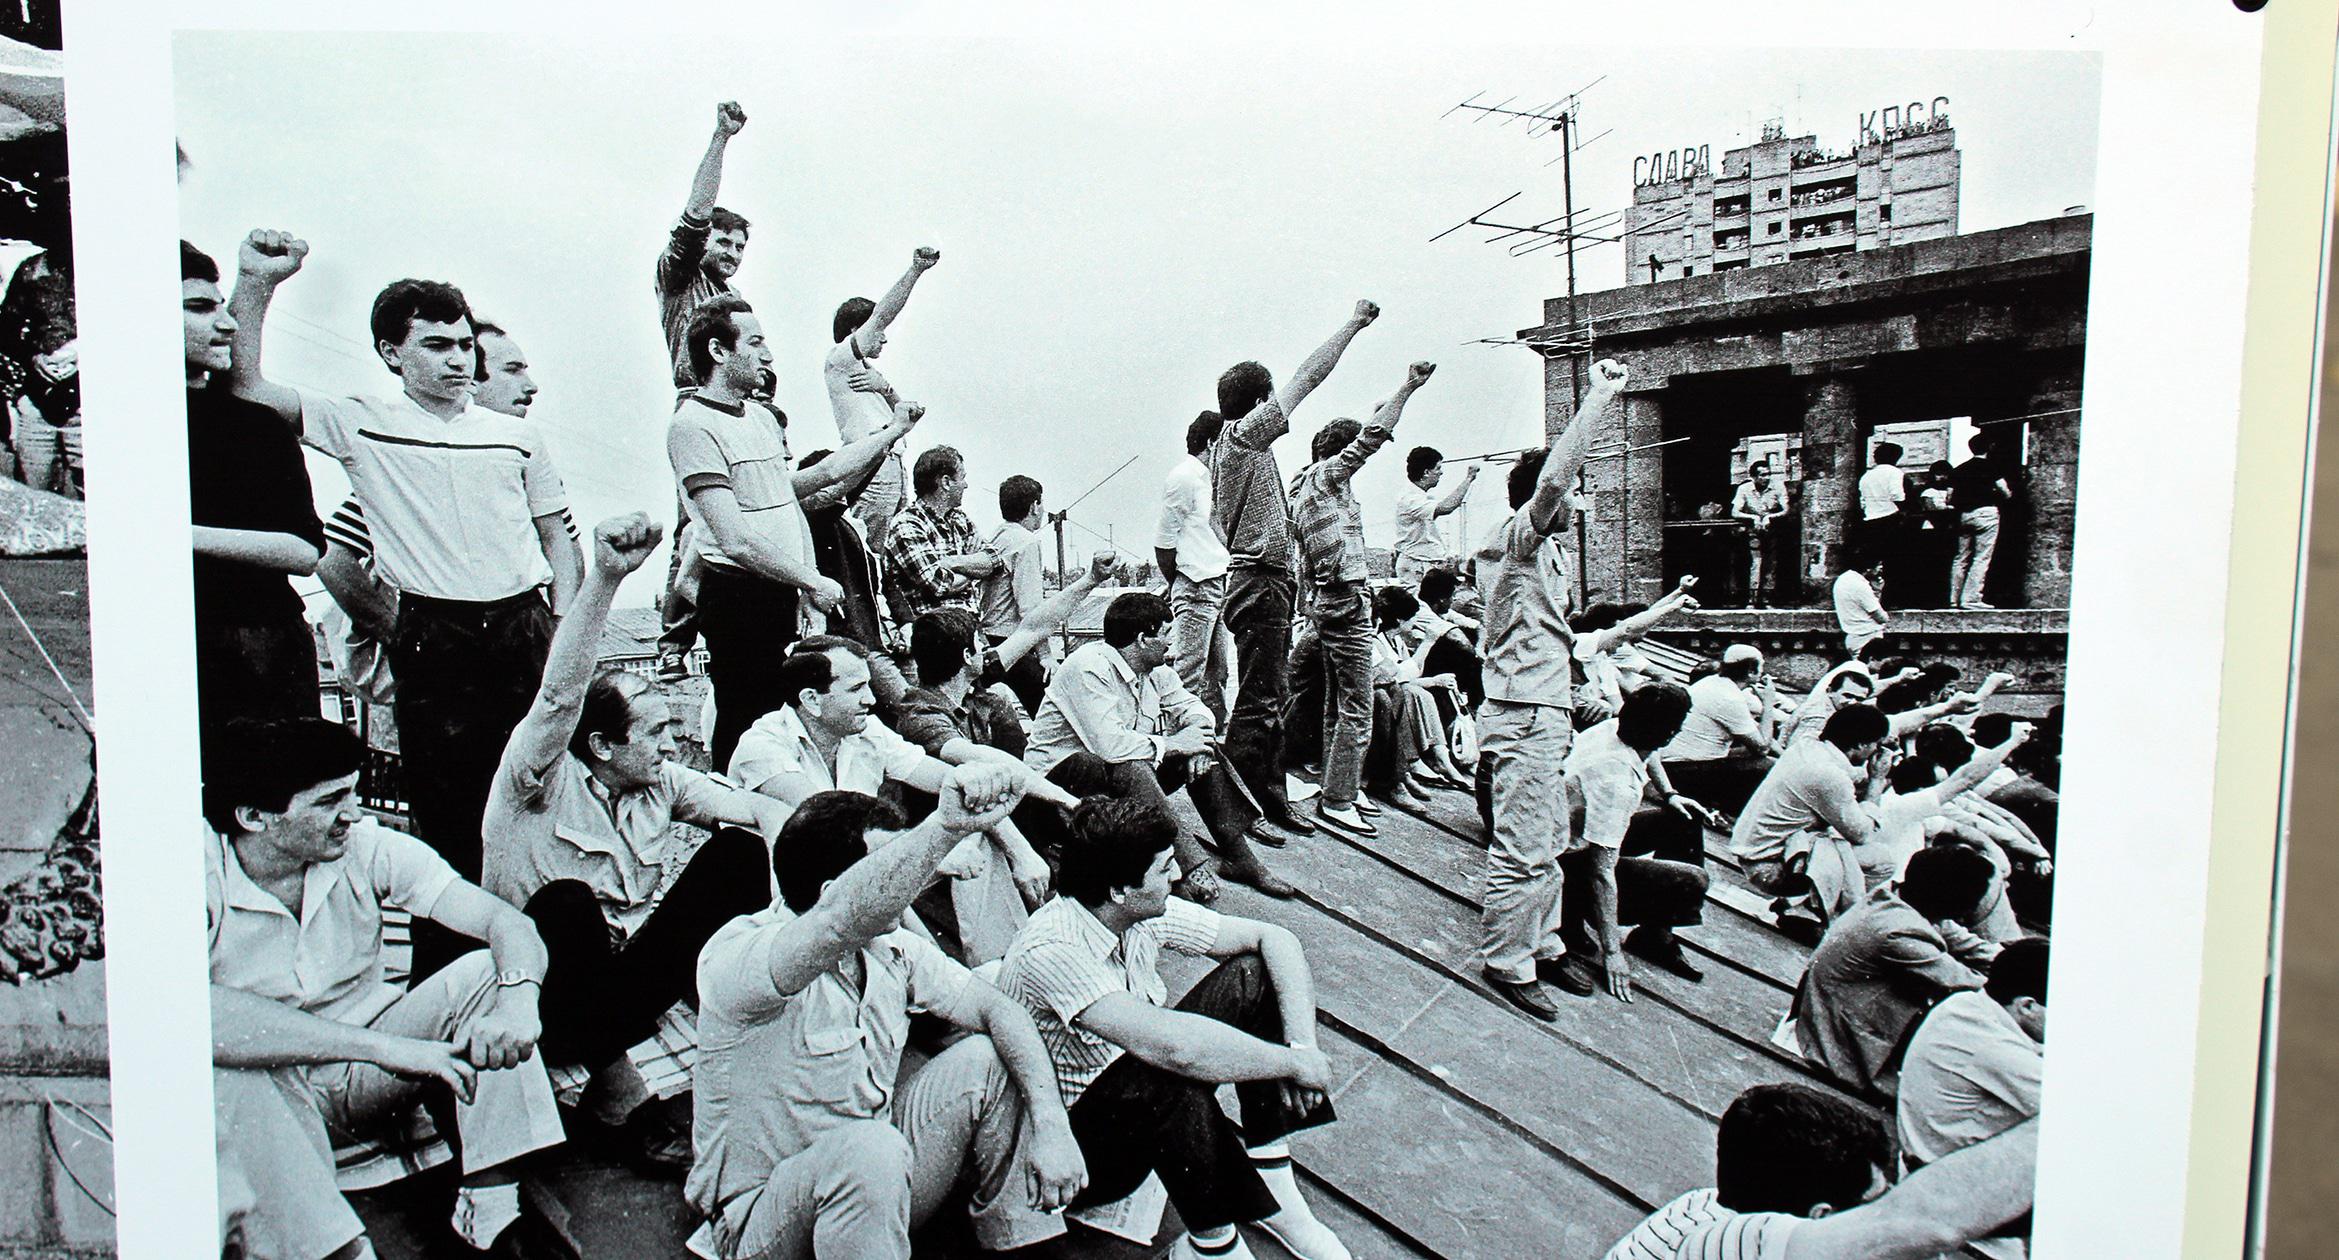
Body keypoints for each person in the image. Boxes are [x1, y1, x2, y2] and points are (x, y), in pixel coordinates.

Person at [224, 230, 583, 980]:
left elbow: (558, 541)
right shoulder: (362, 420)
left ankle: (548, 974)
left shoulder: (516, 438)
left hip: (522, 627)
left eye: (464, 346)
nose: (457, 361)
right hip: (435, 634)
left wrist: (562, 629)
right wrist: (257, 283)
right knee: (450, 821)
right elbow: (249, 387)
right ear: (393, 353)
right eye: (436, 346)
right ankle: (449, 983)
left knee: (539, 804)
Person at [477, 514, 792, 1171]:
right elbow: (559, 696)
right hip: (543, 995)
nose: (672, 744)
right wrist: (606, 577)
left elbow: (758, 809)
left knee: (742, 851)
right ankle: (618, 1096)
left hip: (623, 991)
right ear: (600, 745)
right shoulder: (535, 781)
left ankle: (726, 1006)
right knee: (566, 906)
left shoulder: (659, 780)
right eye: (654, 732)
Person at [203, 716, 572, 1259]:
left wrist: (518, 1001)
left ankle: (490, 1212)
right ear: (254, 817)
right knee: (223, 1065)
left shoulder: (363, 845)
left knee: (486, 974)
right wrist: (384, 1047)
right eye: (329, 801)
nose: (352, 814)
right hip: (273, 1097)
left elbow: (505, 924)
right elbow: (195, 1016)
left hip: (371, 1078)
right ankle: (336, 1248)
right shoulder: (196, 872)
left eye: (351, 793)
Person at [685, 775, 1089, 1259]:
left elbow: (996, 1008)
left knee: (991, 1054)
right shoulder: (743, 957)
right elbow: (837, 921)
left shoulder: (889, 947)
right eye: (890, 867)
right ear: (834, 890)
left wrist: (1052, 1125)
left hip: (875, 1183)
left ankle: (1023, 1243)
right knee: (870, 1151)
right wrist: (944, 827)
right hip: (764, 1222)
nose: (911, 880)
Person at [999, 796, 1349, 1260]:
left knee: (1253, 973)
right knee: (1167, 1066)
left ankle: (1271, 1173)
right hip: (1073, 1155)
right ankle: (1211, 1245)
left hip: (1130, 1097)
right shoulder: (1053, 950)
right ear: (1120, 890)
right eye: (1165, 868)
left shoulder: (1130, 912)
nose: (1179, 875)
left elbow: (1274, 938)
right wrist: (1293, 1064)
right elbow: (1174, 1048)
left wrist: (1301, 1045)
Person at [667, 294, 921, 767]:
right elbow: (735, 540)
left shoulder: (761, 418)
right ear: (718, 351)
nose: (767, 355)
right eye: (755, 343)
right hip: (738, 597)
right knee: (746, 726)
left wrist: (891, 433)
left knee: (786, 726)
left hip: (780, 592)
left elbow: (805, 490)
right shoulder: (692, 426)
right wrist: (811, 579)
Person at [727, 636, 1070, 950]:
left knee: (972, 833)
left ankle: (998, 964)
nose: (871, 698)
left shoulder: (865, 731)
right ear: (811, 700)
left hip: (868, 876)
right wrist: (934, 851)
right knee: (951, 842)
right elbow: (829, 839)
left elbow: (957, 784)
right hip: (796, 905)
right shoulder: (763, 746)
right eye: (856, 689)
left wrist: (1021, 852)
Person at [311, 319, 573, 712]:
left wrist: (560, 630)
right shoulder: (410, 470)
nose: (531, 386)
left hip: (524, 650)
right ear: (472, 383)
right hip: (446, 672)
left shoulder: (522, 454)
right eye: (512, 370)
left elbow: (564, 545)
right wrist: (400, 633)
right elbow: (332, 555)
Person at [1474, 358, 1627, 1021]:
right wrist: (1598, 399)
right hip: (1525, 715)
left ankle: (1544, 942)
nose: (1575, 505)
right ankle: (1508, 960)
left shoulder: (1547, 551)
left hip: (1544, 711)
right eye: (1569, 497)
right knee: (1524, 847)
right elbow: (1557, 477)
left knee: (1550, 844)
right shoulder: (1519, 540)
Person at [1211, 301, 1381, 834]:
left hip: (1269, 582)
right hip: (1260, 582)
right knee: (1258, 701)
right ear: (1259, 403)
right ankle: (1237, 812)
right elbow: (1307, 377)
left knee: (1271, 697)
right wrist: (1353, 324)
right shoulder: (1243, 438)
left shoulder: (1240, 451)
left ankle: (1270, 798)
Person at [1025, 591, 1295, 900]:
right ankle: (1187, 867)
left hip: (1116, 780)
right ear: (1143, 639)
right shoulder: (1088, 667)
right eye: (1167, 634)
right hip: (1056, 791)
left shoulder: (1154, 671)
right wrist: (1178, 743)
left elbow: (1194, 708)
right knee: (1133, 764)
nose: (1172, 644)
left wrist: (1197, 742)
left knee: (1203, 750)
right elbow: (1111, 747)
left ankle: (1240, 856)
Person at [1606, 1082, 2039, 1260]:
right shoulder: (1738, 1243)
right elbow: (1930, 1222)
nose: (1891, 1204)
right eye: (1878, 1201)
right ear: (1821, 1216)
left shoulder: (1709, 1206)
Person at [183, 240, 323, 732]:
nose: (226, 324)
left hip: (259, 640)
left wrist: (177, 535)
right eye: (199, 307)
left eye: (222, 306)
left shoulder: (256, 425)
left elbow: (305, 551)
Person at [1293, 360, 1437, 838]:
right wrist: (1409, 386)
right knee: (1357, 705)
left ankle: (1341, 787)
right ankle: (1339, 800)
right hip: (1346, 598)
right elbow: (1369, 438)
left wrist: (1386, 404)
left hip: (1327, 600)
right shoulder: (1327, 479)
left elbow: (1369, 429)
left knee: (1338, 704)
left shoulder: (1305, 484)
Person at [1544, 682, 1714, 1001]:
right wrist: (1612, 953)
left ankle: (1655, 933)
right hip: (1567, 867)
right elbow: (1601, 873)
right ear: (1670, 733)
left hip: (1575, 836)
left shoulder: (1616, 728)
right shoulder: (1616, 783)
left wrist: (1670, 794)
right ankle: (1573, 916)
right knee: (1693, 880)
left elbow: (1651, 753)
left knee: (1684, 817)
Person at [1794, 844, 2000, 1095]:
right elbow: (1966, 984)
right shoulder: (1900, 933)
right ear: (1954, 907)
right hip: (1837, 1043)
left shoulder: (1895, 899)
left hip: (1832, 1015)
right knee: (1973, 1017)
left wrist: (2014, 960)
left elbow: (1966, 943)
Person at [1894, 939, 2047, 1260]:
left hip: (1931, 1166)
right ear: (2027, 1006)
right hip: (1953, 1197)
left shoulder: (1967, 1005)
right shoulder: (1995, 1049)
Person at [1730, 703, 1894, 934]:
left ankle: (1804, 905)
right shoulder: (1830, 776)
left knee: (1832, 841)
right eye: (1876, 744)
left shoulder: (1809, 745)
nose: (1877, 749)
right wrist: (1877, 780)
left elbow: (1847, 776)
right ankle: (1811, 911)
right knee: (1882, 860)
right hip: (1768, 868)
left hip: (1752, 849)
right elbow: (1863, 833)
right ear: (1860, 744)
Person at [825, 246, 942, 547]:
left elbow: (907, 413)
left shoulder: (869, 373)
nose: (884, 336)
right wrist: (915, 271)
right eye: (878, 331)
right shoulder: (840, 360)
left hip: (892, 464)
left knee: (892, 549)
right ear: (857, 331)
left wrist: (885, 387)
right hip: (872, 465)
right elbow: (882, 315)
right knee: (870, 549)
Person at [655, 100, 750, 392]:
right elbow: (697, 213)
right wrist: (721, 137)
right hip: (699, 396)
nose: (732, 253)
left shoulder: (733, 296)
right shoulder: (680, 276)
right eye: (723, 242)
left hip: (739, 402)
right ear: (704, 243)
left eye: (739, 247)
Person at [1156, 412, 1241, 731]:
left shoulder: (1208, 480)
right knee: (1189, 673)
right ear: (1211, 442)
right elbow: (1164, 540)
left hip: (1216, 583)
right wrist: (1181, 581)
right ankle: (1179, 742)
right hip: (1196, 584)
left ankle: (1213, 734)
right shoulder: (1184, 477)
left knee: (1217, 672)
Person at [884, 444, 1001, 625]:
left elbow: (994, 560)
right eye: (962, 478)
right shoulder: (907, 523)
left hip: (968, 624)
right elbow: (938, 584)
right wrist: (974, 569)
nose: (966, 485)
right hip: (934, 630)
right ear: (946, 482)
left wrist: (952, 562)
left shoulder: (960, 519)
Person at [1660, 644, 1780, 817]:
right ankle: (1735, 815)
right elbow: (1762, 748)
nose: (1763, 671)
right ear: (1750, 671)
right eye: (1761, 666)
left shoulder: (1713, 683)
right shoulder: (1729, 698)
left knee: (1747, 754)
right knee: (1767, 765)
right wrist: (1768, 702)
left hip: (1676, 763)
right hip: (1683, 770)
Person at [1572, 576, 1699, 723]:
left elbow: (1618, 708)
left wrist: (1679, 592)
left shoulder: (1603, 661)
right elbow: (1628, 629)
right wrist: (1674, 606)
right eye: (1619, 639)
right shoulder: (1582, 645)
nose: (1622, 643)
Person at [981, 474, 1050, 715]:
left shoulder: (998, 535)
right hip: (1012, 640)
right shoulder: (1026, 542)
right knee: (1050, 707)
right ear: (1034, 506)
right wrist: (1046, 655)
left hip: (989, 637)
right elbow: (1031, 608)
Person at [1392, 445, 1479, 586]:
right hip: (1417, 564)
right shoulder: (1410, 499)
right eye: (1438, 468)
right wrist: (1469, 478)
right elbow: (1447, 507)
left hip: (1424, 562)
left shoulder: (1420, 496)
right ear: (1426, 472)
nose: (1441, 473)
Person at [1948, 434, 2014, 610]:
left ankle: (1954, 599)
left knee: (1961, 558)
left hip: (1964, 515)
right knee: (1981, 557)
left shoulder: (1958, 470)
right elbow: (2005, 491)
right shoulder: (1992, 467)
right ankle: (1971, 599)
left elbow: (1949, 497)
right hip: (1986, 513)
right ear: (1989, 447)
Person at [1731, 461, 1788, 607]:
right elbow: (1735, 512)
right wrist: (1753, 517)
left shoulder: (1778, 487)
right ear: (1754, 477)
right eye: (1762, 475)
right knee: (1755, 563)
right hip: (1752, 532)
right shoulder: (1744, 489)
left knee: (1771, 565)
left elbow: (1786, 510)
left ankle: (1768, 600)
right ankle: (1752, 600)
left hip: (1772, 531)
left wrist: (1770, 517)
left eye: (1768, 474)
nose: (1766, 478)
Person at [1855, 441, 1906, 598]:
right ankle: (1890, 597)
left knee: (1873, 561)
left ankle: (1872, 595)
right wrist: (1904, 511)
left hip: (1870, 520)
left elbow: (1863, 501)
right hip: (1889, 519)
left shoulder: (1866, 476)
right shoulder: (1894, 473)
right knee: (1893, 560)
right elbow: (1897, 495)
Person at [1832, 551, 1888, 657]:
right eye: (1878, 565)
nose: (1881, 568)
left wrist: (1877, 591)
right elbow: (1881, 617)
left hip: (1853, 637)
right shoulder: (1860, 586)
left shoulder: (1843, 579)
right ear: (1868, 568)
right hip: (1867, 639)